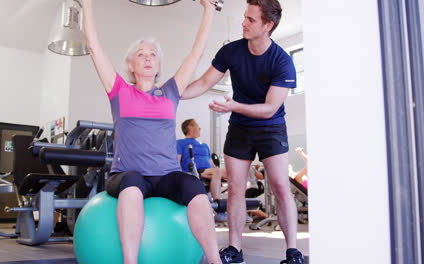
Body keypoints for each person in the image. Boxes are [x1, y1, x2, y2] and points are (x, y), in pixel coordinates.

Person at [82, 1, 225, 264]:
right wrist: (87, 6)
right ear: (131, 65)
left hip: (166, 175)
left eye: (153, 55)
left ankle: (215, 260)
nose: (148, 58)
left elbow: (197, 53)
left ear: (159, 65)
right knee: (133, 183)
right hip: (126, 175)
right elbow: (94, 48)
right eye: (141, 54)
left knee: (194, 187)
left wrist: (208, 10)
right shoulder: (119, 91)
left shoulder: (171, 92)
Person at [181, 0, 304, 263]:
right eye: (244, 17)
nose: (243, 23)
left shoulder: (282, 61)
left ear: (268, 25)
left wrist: (234, 105)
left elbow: (271, 108)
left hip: (270, 128)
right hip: (240, 128)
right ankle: (234, 250)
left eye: (251, 19)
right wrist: (172, 94)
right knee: (235, 187)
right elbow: (204, 82)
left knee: (281, 186)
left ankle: (293, 251)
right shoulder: (232, 51)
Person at [177, 119, 228, 200]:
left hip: (209, 171)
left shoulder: (204, 145)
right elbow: (177, 161)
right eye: (197, 126)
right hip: (193, 170)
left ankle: (240, 196)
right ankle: (217, 201)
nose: (200, 129)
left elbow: (212, 164)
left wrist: (220, 173)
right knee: (216, 172)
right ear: (190, 128)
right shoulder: (180, 143)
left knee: (233, 172)